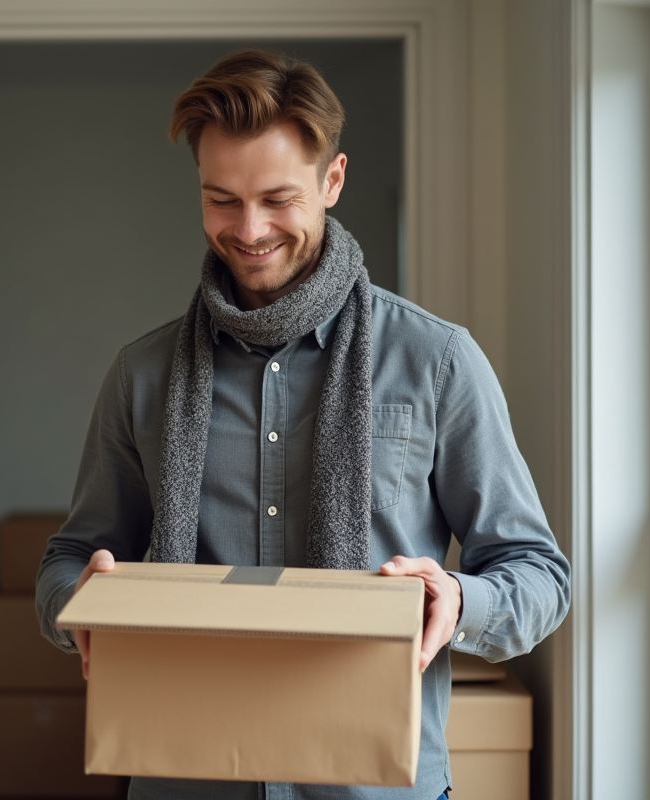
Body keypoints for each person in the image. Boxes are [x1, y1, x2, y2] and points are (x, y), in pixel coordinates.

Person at [35, 49, 570, 800]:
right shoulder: (141, 375)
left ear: (333, 181)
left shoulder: (438, 361)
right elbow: (68, 562)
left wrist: (458, 599)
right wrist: (77, 606)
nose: (249, 229)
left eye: (277, 198)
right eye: (222, 199)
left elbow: (539, 575)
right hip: (185, 780)